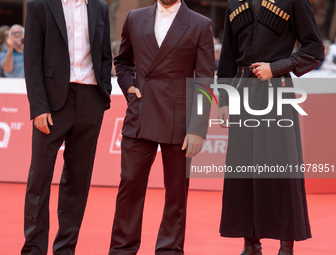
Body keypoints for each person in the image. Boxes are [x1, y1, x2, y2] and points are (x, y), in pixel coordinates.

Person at [217, 0, 324, 254]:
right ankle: (250, 243)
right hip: (241, 93)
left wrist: (276, 68)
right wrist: (223, 100)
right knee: (244, 168)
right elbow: (228, 57)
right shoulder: (234, 3)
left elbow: (314, 48)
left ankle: (286, 246)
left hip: (277, 91)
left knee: (282, 168)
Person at [109, 0, 215, 254]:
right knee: (129, 186)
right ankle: (122, 249)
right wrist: (129, 87)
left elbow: (204, 79)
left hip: (180, 121)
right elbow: (122, 62)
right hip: (141, 113)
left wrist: (198, 127)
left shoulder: (201, 24)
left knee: (176, 194)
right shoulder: (134, 18)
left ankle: (169, 250)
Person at [21, 0, 112, 254]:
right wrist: (38, 107)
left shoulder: (100, 7)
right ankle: (34, 249)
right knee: (39, 179)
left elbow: (105, 55)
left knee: (78, 181)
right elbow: (32, 59)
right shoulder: (40, 5)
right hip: (51, 103)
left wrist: (103, 95)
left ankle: (65, 248)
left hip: (90, 100)